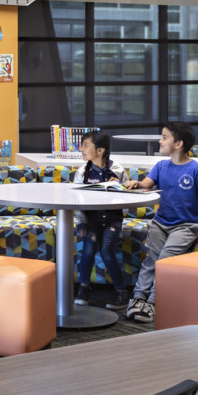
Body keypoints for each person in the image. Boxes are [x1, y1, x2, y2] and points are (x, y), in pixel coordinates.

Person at [120, 122, 198, 325]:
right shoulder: (161, 166)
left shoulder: (197, 169)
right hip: (161, 223)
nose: (160, 141)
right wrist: (136, 183)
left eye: (164, 137)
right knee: (150, 260)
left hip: (186, 225)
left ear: (179, 143)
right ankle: (138, 298)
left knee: (164, 261)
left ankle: (154, 302)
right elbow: (146, 183)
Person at [73, 130, 130, 312]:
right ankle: (83, 288)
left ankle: (121, 291)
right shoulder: (82, 172)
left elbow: (128, 200)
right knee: (88, 250)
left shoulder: (118, 170)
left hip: (112, 219)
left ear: (100, 150)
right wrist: (81, 223)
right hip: (90, 220)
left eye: (86, 145)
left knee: (106, 251)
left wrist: (118, 188)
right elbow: (76, 200)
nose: (81, 149)